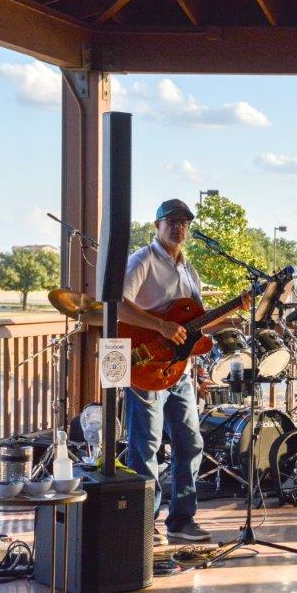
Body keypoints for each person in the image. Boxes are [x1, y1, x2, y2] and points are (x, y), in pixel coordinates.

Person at [119, 199, 249, 546]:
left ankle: (182, 519)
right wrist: (159, 326)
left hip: (179, 371)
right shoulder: (142, 261)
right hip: (146, 365)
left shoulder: (190, 271)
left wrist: (239, 304)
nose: (179, 227)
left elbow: (194, 324)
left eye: (184, 222)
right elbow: (117, 305)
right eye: (172, 221)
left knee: (191, 442)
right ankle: (144, 525)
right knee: (145, 447)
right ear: (156, 225)